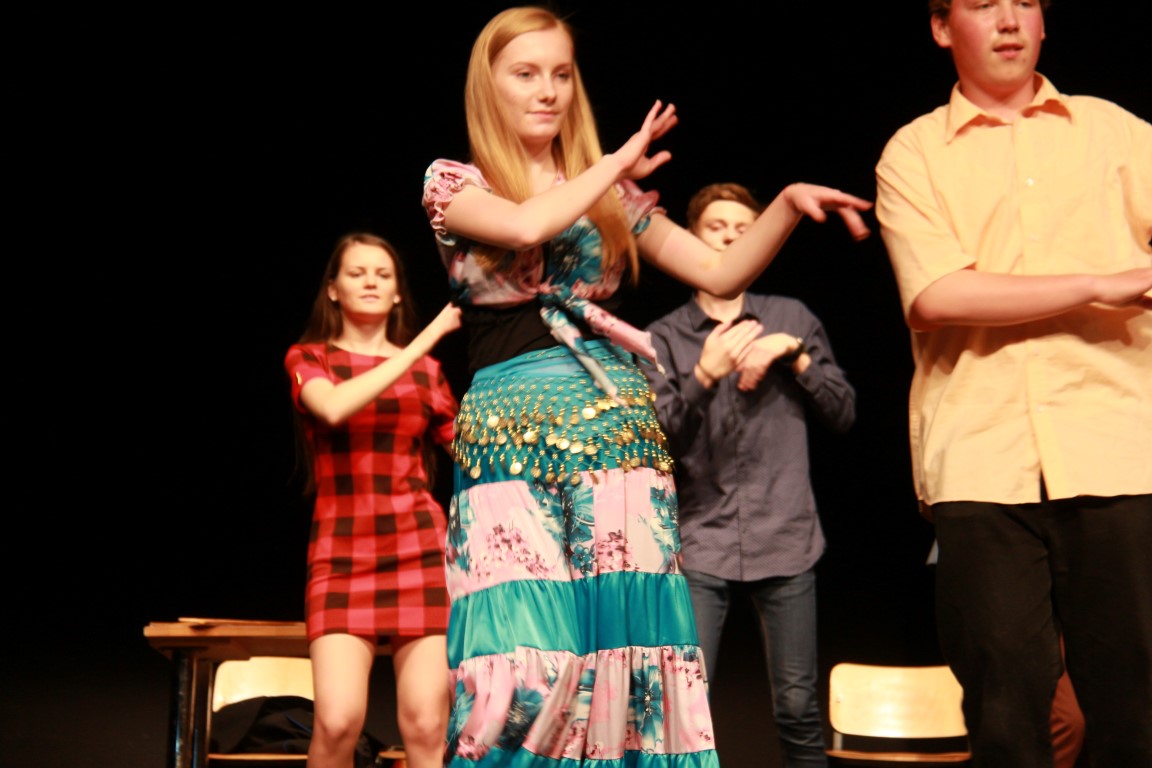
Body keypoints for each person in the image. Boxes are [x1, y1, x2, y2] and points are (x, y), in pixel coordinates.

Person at [420, 7, 873, 768]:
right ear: (487, 86)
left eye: (562, 74)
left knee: (624, 672)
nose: (548, 91)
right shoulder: (452, 182)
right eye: (526, 74)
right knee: (524, 673)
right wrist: (613, 163)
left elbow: (721, 271)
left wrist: (789, 203)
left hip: (614, 436)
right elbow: (528, 226)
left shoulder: (609, 194)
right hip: (509, 438)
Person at [875, 1, 1152, 765]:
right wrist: (1102, 281)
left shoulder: (1117, 132)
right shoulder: (915, 151)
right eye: (984, 5)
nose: (1008, 21)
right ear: (941, 28)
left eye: (1025, 3)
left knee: (1136, 708)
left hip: (1118, 446)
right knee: (1005, 709)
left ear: (1044, 23)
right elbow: (938, 295)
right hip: (980, 456)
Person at [644, 182, 856, 767]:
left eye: (744, 229)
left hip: (785, 534)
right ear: (691, 239)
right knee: (687, 706)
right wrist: (704, 375)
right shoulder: (664, 336)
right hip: (701, 539)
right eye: (717, 228)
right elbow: (657, 443)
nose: (731, 239)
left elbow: (843, 413)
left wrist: (797, 356)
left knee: (797, 707)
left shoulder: (790, 317)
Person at [284, 232, 463, 768]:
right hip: (342, 555)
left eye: (382, 275)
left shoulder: (427, 373)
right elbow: (334, 408)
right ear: (333, 289)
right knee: (338, 721)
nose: (370, 282)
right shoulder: (310, 357)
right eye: (357, 273)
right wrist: (427, 338)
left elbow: (470, 454)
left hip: (419, 550)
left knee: (427, 725)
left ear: (397, 292)